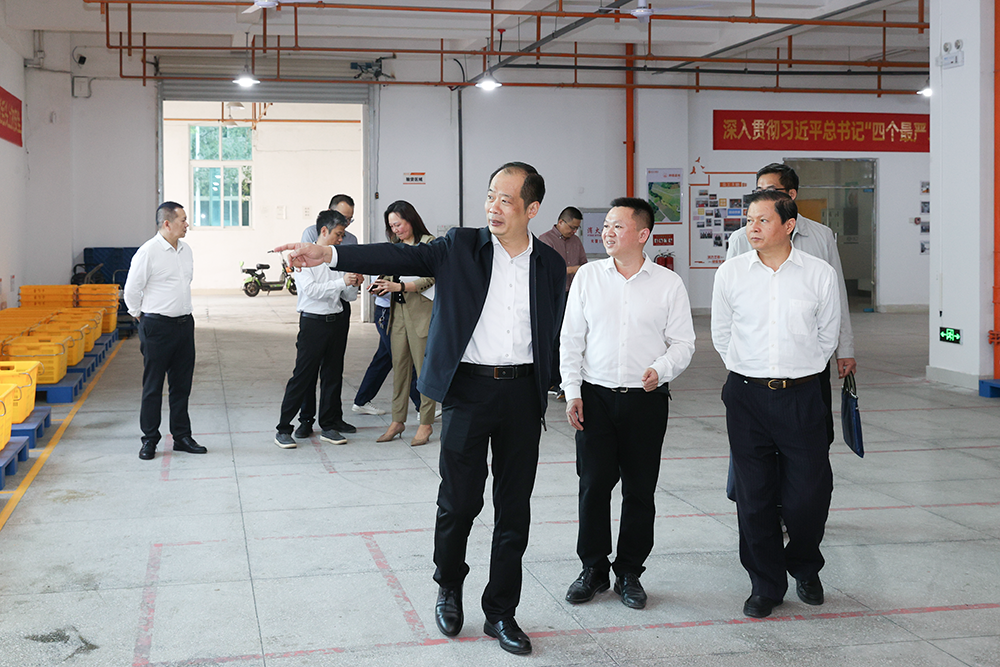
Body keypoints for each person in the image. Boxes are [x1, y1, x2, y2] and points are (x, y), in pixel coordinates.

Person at [277, 162, 566, 656]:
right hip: (468, 392)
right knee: (458, 502)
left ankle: (501, 611)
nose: (493, 207)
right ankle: (448, 586)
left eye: (506, 200)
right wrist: (330, 253)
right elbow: (398, 253)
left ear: (532, 208)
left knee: (514, 510)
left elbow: (551, 329)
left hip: (522, 396)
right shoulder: (460, 246)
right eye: (490, 196)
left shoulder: (549, 264)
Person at [711, 190, 840, 619]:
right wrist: (748, 371)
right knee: (754, 497)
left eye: (762, 220)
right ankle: (765, 584)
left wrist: (796, 371)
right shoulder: (731, 273)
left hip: (801, 395)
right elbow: (722, 333)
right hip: (746, 396)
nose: (752, 228)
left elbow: (827, 336)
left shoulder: (818, 274)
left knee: (809, 495)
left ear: (789, 225)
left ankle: (804, 564)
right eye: (749, 220)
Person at [561, 198, 695, 610]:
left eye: (618, 226)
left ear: (642, 234)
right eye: (606, 225)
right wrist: (572, 391)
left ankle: (629, 572)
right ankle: (593, 569)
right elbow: (571, 339)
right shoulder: (588, 277)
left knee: (640, 490)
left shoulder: (668, 284)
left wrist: (662, 369)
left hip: (645, 400)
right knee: (593, 486)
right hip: (595, 398)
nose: (607, 232)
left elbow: (683, 343)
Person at [727, 163, 856, 443]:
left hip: (808, 363)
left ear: (792, 195)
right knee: (753, 444)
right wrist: (738, 357)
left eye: (771, 190)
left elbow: (836, 299)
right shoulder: (740, 239)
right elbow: (727, 307)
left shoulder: (821, 236)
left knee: (814, 434)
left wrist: (843, 349)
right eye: (758, 190)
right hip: (755, 363)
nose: (762, 196)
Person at [124, 202, 207, 461]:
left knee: (181, 386)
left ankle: (181, 436)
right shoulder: (148, 252)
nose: (187, 224)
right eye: (183, 220)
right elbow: (131, 290)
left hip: (184, 325)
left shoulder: (186, 250)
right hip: (157, 327)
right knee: (153, 386)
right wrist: (140, 315)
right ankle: (150, 439)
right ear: (167, 223)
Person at [274, 210, 362, 449]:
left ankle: (329, 426)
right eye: (338, 234)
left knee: (333, 375)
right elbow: (311, 291)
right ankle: (283, 428)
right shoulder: (301, 257)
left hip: (336, 321)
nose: (341, 239)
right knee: (303, 376)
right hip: (313, 324)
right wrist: (341, 282)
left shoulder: (337, 258)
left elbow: (347, 296)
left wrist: (353, 283)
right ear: (324, 230)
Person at [368, 201, 437, 447]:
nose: (395, 229)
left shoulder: (429, 244)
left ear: (411, 220)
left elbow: (431, 277)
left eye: (398, 224)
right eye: (391, 226)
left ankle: (426, 422)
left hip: (421, 315)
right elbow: (389, 274)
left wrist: (400, 286)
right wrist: (379, 285)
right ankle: (397, 421)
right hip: (397, 314)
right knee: (400, 369)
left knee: (424, 371)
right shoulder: (396, 247)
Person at [295, 194, 357, 438]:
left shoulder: (350, 240)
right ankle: (305, 420)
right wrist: (341, 282)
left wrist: (353, 283)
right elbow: (310, 284)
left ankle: (331, 420)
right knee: (308, 371)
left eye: (350, 220)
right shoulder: (311, 235)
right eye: (343, 219)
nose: (345, 227)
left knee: (334, 369)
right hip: (315, 311)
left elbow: (349, 282)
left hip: (339, 307)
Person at [538, 206, 588, 399]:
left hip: (572, 294)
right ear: (561, 222)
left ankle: (566, 380)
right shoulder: (545, 240)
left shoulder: (576, 242)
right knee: (553, 337)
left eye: (577, 228)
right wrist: (573, 269)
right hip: (552, 295)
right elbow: (546, 269)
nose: (574, 231)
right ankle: (552, 380)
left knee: (571, 336)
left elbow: (584, 265)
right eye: (572, 227)